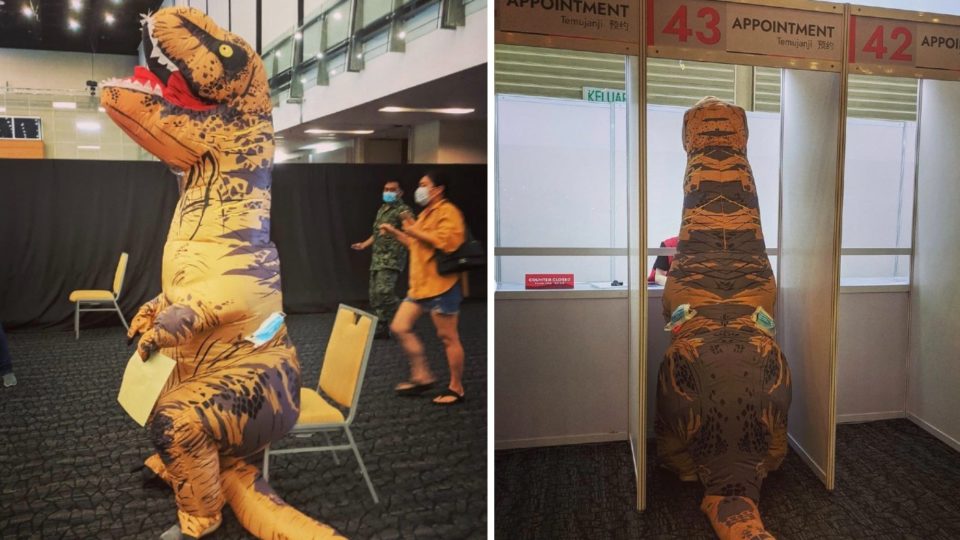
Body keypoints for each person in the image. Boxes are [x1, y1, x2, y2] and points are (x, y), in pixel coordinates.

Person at [378, 172, 467, 405]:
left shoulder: (449, 213)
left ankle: (456, 388)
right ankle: (422, 375)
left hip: (442, 287)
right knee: (399, 327)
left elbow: (448, 243)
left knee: (448, 337)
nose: (420, 189)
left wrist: (412, 229)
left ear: (438, 189)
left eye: (423, 185)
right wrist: (396, 232)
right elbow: (417, 245)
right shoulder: (426, 212)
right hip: (419, 288)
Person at [352, 180, 413, 339]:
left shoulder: (403, 210)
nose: (388, 192)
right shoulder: (382, 209)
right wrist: (364, 244)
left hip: (392, 258)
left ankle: (405, 314)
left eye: (392, 190)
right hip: (378, 258)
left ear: (400, 193)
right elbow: (377, 233)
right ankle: (383, 327)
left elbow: (412, 233)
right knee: (375, 295)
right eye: (386, 189)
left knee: (384, 291)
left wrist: (394, 233)